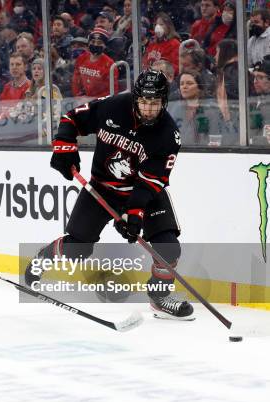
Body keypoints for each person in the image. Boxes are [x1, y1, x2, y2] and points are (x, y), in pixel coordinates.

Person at [24, 70, 194, 320]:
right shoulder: (115, 106)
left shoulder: (168, 135)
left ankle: (159, 297)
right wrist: (64, 146)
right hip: (101, 188)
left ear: (164, 102)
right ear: (135, 98)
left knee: (167, 248)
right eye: (144, 102)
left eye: (154, 103)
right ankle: (45, 256)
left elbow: (151, 182)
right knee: (77, 251)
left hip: (144, 193)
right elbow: (72, 119)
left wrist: (134, 212)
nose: (148, 109)